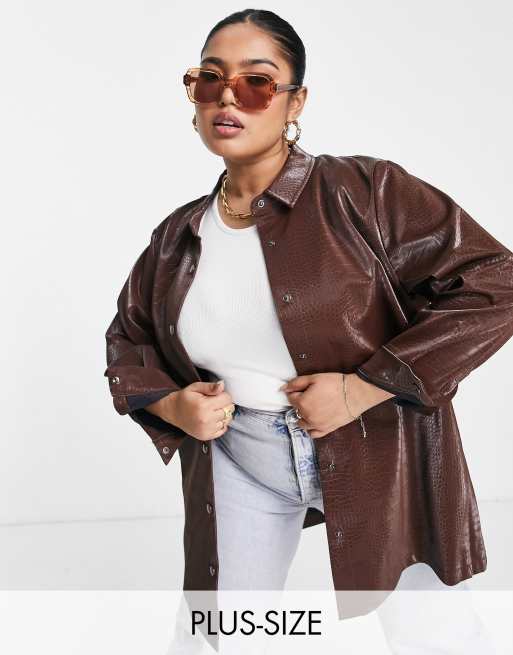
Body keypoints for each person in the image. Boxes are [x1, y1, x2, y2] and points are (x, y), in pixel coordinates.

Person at [104, 9, 513, 654]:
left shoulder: (364, 191)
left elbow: (496, 283)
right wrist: (171, 404)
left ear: (295, 101)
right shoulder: (179, 235)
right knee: (217, 638)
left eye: (256, 82)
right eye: (210, 79)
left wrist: (363, 388)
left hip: (382, 452)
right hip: (238, 457)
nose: (227, 98)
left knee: (437, 638)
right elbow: (129, 337)